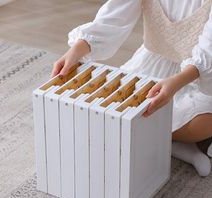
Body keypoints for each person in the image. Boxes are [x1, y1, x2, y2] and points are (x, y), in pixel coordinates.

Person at [51, 0, 212, 176]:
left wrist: (177, 82)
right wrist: (75, 51)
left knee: (203, 122)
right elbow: (112, 19)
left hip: (194, 75)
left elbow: (207, 52)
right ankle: (170, 143)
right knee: (114, 104)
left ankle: (158, 138)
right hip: (153, 63)